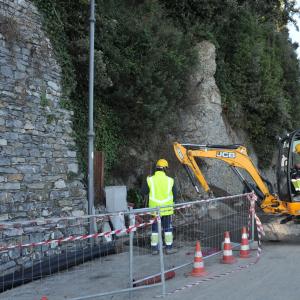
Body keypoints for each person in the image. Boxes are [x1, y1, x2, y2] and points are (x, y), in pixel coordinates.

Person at [141, 158, 177, 255]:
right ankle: (169, 248)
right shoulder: (170, 180)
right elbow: (175, 195)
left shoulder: (150, 180)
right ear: (165, 169)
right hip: (167, 210)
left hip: (155, 210)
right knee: (167, 229)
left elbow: (143, 192)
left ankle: (154, 249)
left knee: (155, 230)